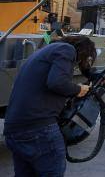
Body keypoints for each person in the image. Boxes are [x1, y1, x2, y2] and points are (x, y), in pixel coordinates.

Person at [3, 35, 96, 177]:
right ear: (83, 50)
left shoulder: (45, 51)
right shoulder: (67, 50)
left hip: (14, 129)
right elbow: (56, 83)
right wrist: (78, 90)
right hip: (39, 129)